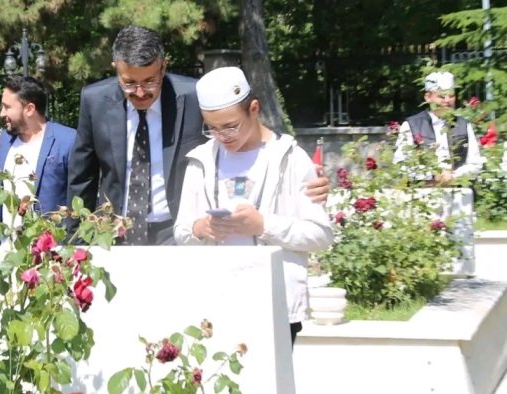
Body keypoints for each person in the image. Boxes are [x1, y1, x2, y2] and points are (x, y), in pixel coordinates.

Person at [67, 24, 329, 245]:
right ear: (116, 69)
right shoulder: (95, 101)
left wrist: (298, 171)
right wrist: (75, 243)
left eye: (149, 81)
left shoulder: (193, 98)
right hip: (114, 234)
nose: (139, 92)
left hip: (176, 232)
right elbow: (82, 177)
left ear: (163, 67)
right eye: (129, 82)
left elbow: (243, 130)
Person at [174, 67, 333, 345]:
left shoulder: (290, 158)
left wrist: (263, 225)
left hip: (275, 302)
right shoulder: (201, 160)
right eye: (212, 128)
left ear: (254, 108)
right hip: (216, 301)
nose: (223, 135)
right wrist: (202, 228)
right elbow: (182, 231)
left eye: (231, 125)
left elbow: (320, 234)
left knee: (270, 388)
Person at [0, 75, 76, 226]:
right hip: (7, 244)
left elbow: (78, 199)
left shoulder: (67, 141)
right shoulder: (4, 140)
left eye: (7, 107)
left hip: (49, 244)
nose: (2, 113)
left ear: (29, 109)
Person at [393, 71, 483, 182]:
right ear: (428, 97)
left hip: (459, 191)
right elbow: (401, 164)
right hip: (422, 192)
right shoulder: (412, 125)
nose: (447, 100)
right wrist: (432, 174)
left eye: (451, 96)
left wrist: (454, 175)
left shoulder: (464, 125)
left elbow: (476, 163)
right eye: (441, 96)